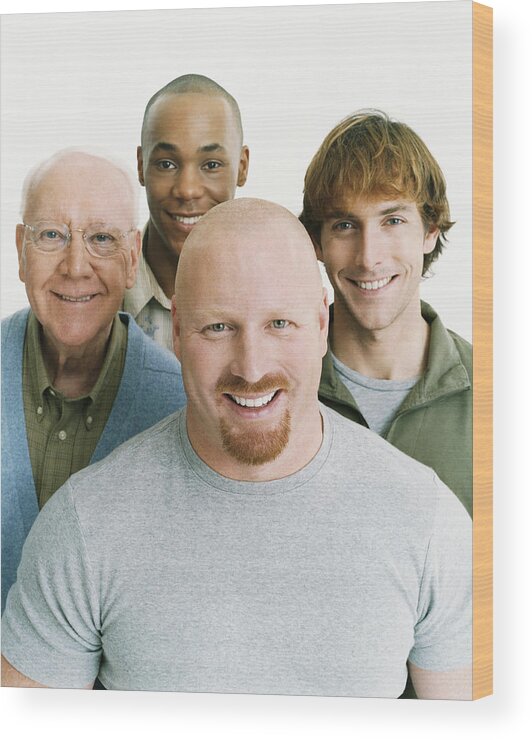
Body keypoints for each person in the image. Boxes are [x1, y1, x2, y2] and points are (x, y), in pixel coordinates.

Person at [2, 199, 471, 700]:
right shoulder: (84, 525)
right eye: (219, 328)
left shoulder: (428, 522)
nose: (251, 367)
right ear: (178, 330)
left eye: (279, 325)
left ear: (319, 326)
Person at [1, 150, 187, 612]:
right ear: (21, 249)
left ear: (131, 259)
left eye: (101, 238)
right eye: (52, 236)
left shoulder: (182, 407)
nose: (75, 266)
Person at [300, 110, 472, 517]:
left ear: (430, 231)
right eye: (344, 225)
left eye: (392, 220)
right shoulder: (273, 388)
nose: (369, 257)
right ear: (316, 242)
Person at [123, 73, 249, 351]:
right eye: (167, 164)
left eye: (211, 165)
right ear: (141, 165)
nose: (187, 190)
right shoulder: (95, 296)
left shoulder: (279, 294)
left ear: (242, 167)